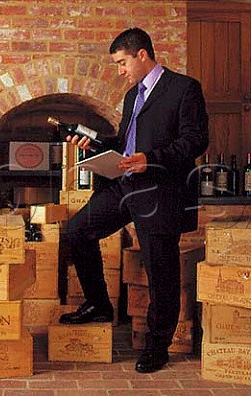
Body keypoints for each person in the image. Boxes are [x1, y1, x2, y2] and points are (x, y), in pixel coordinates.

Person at [59, 27, 209, 373]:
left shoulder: (184, 88)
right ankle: (99, 305)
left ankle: (158, 346)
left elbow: (195, 141)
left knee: (161, 272)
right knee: (78, 230)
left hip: (160, 192)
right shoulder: (132, 97)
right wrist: (93, 144)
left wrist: (149, 158)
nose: (119, 71)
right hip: (125, 186)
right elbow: (125, 144)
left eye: (122, 62)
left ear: (143, 54)